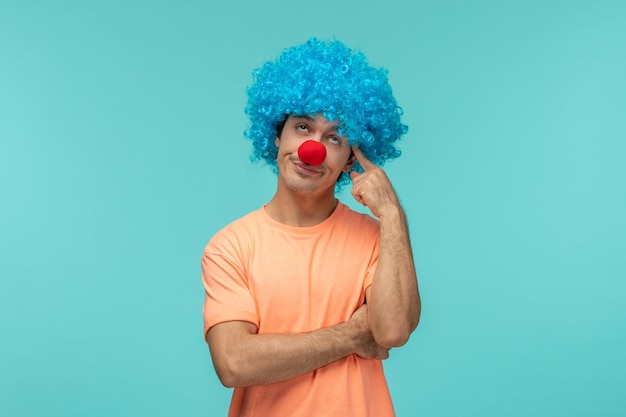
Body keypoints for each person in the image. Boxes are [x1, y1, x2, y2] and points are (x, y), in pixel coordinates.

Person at [201, 38, 421, 417]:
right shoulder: (231, 246)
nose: (312, 149)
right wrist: (352, 335)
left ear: (351, 158)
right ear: (276, 135)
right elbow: (234, 363)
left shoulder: (375, 238)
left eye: (334, 138)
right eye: (302, 127)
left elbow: (394, 330)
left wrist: (392, 214)